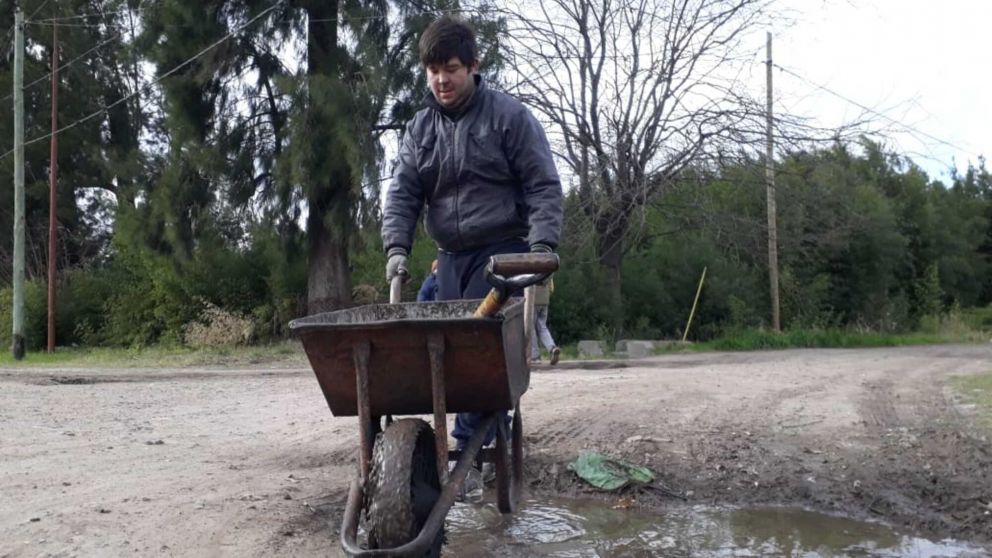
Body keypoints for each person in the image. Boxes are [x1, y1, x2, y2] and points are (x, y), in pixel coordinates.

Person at [381, 15, 563, 466]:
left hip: (502, 255)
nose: (441, 80)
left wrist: (541, 248)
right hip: (449, 257)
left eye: (451, 69)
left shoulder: (509, 118)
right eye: (433, 71)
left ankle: (471, 450)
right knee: (433, 347)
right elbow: (403, 193)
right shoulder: (420, 129)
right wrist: (397, 249)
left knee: (479, 349)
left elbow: (542, 185)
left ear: (474, 66)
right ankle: (428, 448)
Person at [530, 278, 560, 365]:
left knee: (531, 327)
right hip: (545, 300)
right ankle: (552, 348)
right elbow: (551, 288)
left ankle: (535, 356)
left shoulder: (533, 270)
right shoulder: (549, 270)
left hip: (533, 299)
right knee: (542, 327)